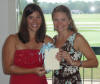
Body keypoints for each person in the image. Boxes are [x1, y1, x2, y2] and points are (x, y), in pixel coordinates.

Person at [2, 3, 53, 84]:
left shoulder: (48, 40)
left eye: (38, 17)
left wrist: (55, 59)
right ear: (25, 20)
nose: (35, 21)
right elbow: (7, 69)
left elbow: (50, 67)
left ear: (42, 19)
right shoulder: (12, 39)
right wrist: (33, 70)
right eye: (31, 17)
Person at [52, 5, 98, 84]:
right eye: (56, 20)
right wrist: (52, 60)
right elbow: (51, 66)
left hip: (72, 81)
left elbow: (95, 62)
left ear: (69, 21)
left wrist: (74, 62)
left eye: (63, 19)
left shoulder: (77, 38)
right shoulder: (54, 39)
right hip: (56, 81)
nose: (59, 23)